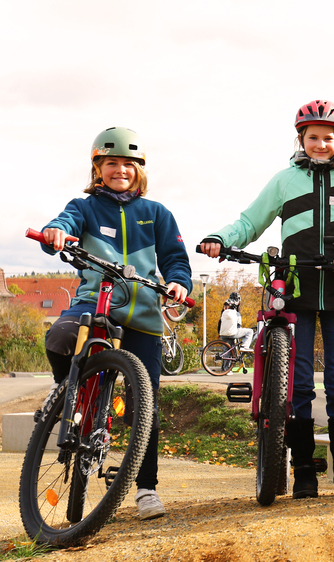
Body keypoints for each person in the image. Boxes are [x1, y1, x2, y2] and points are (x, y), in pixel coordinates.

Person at [199, 100, 334, 498]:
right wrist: (221, 238)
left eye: (328, 137)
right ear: (301, 138)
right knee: (299, 384)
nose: (321, 144)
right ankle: (303, 471)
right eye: (313, 137)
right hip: (297, 289)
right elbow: (251, 221)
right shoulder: (285, 180)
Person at [39, 127, 192, 520]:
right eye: (111, 163)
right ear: (98, 168)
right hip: (94, 302)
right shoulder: (84, 206)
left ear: (139, 170)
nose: (119, 169)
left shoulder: (156, 213)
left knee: (145, 404)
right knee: (58, 337)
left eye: (128, 164)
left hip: (140, 312)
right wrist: (56, 233)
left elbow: (175, 257)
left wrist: (177, 281)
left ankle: (146, 489)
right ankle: (66, 393)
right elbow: (64, 222)